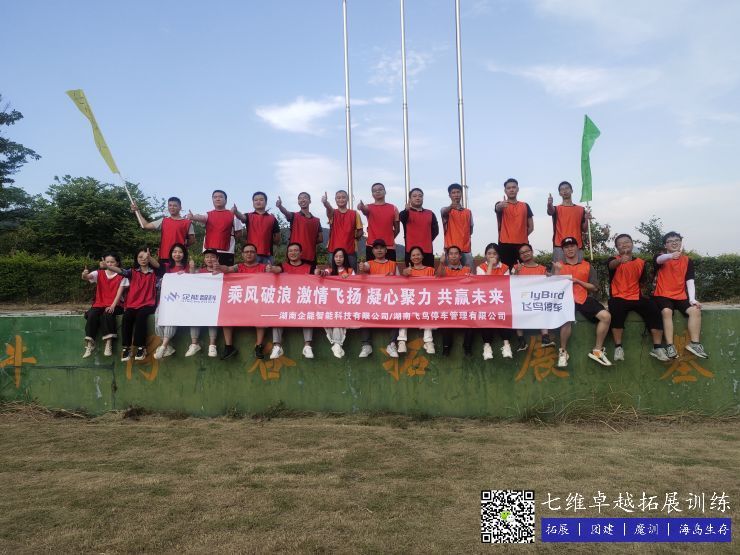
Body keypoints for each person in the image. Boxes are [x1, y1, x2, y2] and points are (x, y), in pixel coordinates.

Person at [552, 237, 612, 368]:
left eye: (572, 246)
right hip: (566, 299)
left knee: (606, 317)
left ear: (577, 248)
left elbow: (594, 287)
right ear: (563, 250)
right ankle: (563, 352)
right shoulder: (558, 265)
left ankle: (597, 350)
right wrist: (556, 271)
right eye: (566, 247)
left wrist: (578, 281)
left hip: (583, 297)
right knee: (566, 319)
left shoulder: (587, 265)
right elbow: (553, 288)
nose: (570, 249)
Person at [607, 234, 668, 362]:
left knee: (654, 310)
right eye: (620, 243)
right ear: (617, 247)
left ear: (632, 243)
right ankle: (618, 347)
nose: (624, 245)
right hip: (618, 296)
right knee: (616, 310)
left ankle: (657, 347)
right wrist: (620, 261)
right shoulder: (613, 260)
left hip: (636, 295)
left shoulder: (641, 262)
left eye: (627, 242)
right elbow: (611, 265)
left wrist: (644, 293)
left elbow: (642, 282)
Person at [653, 232, 708, 359]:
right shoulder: (660, 257)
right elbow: (659, 260)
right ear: (665, 245)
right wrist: (671, 256)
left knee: (695, 310)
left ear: (680, 242)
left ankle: (695, 344)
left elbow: (690, 281)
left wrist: (692, 299)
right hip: (662, 294)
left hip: (680, 296)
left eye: (677, 240)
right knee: (666, 311)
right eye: (670, 241)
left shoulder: (687, 260)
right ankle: (670, 346)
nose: (674, 243)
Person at [219, 243, 270, 359]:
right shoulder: (238, 267)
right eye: (246, 252)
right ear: (242, 254)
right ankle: (229, 347)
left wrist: (273, 269)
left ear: (256, 254)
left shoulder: (264, 268)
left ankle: (259, 346)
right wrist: (218, 266)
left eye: (252, 252)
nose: (249, 254)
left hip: (257, 302)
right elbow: (227, 269)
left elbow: (277, 272)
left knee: (262, 316)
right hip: (240, 302)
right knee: (225, 315)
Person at [268, 242, 317, 359]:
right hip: (286, 301)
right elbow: (277, 269)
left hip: (303, 301)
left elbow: (317, 275)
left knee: (308, 313)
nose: (293, 253)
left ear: (301, 253)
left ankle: (307, 346)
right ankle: (277, 346)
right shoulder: (283, 266)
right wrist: (271, 269)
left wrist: (318, 272)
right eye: (290, 251)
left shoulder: (310, 267)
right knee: (277, 313)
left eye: (295, 250)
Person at [111, 248, 160, 362]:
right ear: (136, 259)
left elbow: (158, 266)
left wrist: (150, 257)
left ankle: (141, 347)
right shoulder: (131, 272)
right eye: (140, 257)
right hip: (133, 304)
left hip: (149, 303)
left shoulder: (155, 273)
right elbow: (121, 271)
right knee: (127, 317)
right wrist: (108, 267)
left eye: (145, 257)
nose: (143, 259)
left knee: (141, 316)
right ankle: (126, 347)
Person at [358, 239, 400, 357]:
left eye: (382, 248)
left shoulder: (393, 264)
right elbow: (365, 268)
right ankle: (366, 345)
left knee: (397, 314)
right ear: (372, 251)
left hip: (389, 299)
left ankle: (392, 344)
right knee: (364, 314)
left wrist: (393, 278)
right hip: (373, 299)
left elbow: (400, 282)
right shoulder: (369, 263)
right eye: (376, 248)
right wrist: (362, 267)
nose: (379, 250)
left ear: (386, 250)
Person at [81, 253, 128, 358]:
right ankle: (90, 344)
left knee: (107, 314)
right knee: (91, 314)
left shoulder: (122, 275)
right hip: (99, 303)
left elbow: (119, 293)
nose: (109, 264)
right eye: (107, 262)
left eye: (112, 262)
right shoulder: (98, 273)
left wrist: (112, 306)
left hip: (116, 304)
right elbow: (87, 277)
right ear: (104, 262)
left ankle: (108, 343)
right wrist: (84, 274)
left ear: (117, 263)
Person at [510, 244, 555, 351]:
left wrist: (550, 277)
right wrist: (517, 271)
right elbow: (510, 283)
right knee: (516, 310)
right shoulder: (516, 267)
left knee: (543, 307)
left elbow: (549, 285)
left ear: (532, 251)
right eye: (522, 253)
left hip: (536, 299)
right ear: (520, 256)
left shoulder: (542, 269)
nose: (525, 254)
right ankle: (521, 341)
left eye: (527, 251)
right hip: (521, 299)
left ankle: (545, 338)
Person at [186, 249, 227, 358]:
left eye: (212, 257)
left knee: (212, 317)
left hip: (216, 303)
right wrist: (191, 269)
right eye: (207, 257)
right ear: (204, 259)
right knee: (194, 315)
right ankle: (194, 344)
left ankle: (212, 345)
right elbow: (191, 283)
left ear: (217, 259)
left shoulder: (222, 272)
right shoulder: (199, 272)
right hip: (201, 303)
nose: (209, 259)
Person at [475, 243, 513, 360]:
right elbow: (485, 283)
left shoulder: (505, 267)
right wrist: (490, 265)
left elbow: (505, 285)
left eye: (494, 253)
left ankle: (506, 345)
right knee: (485, 317)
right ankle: (487, 346)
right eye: (489, 253)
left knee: (504, 315)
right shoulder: (480, 267)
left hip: (500, 299)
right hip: (485, 300)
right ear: (485, 255)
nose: (492, 256)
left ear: (498, 255)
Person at [187, 189, 245, 266]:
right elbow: (201, 217)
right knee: (209, 272)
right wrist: (193, 217)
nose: (217, 199)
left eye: (220, 197)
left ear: (226, 200)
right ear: (212, 200)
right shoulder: (208, 214)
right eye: (215, 197)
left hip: (227, 251)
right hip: (209, 251)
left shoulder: (233, 215)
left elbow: (239, 233)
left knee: (225, 273)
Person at [131, 197, 195, 265]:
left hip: (179, 257)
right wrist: (137, 211)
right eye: (170, 205)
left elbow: (192, 240)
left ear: (180, 208)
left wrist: (182, 246)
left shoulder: (187, 223)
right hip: (164, 256)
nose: (172, 207)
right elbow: (145, 225)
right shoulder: (163, 220)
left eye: (175, 206)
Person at [315, 248, 355, 358]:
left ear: (345, 258)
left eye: (341, 256)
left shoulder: (350, 271)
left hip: (345, 305)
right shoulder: (329, 270)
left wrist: (349, 278)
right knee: (328, 317)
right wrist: (318, 272)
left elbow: (355, 286)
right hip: (330, 304)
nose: (338, 259)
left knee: (338, 317)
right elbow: (322, 274)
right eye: (336, 256)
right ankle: (337, 344)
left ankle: (336, 343)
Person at [153, 243, 189, 359]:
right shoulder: (167, 266)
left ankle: (163, 346)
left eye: (180, 252)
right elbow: (156, 265)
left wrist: (189, 273)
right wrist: (149, 258)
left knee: (171, 318)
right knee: (158, 317)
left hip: (181, 302)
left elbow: (193, 281)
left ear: (184, 254)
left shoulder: (188, 267)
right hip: (166, 300)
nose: (177, 254)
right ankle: (167, 346)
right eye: (174, 252)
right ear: (171, 254)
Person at [436, 246, 473, 356]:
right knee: (445, 317)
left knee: (472, 319)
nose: (453, 256)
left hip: (463, 304)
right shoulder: (444, 269)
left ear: (460, 256)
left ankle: (467, 347)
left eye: (456, 253)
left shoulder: (467, 270)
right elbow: (438, 277)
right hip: (448, 304)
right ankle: (446, 347)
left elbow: (474, 285)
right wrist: (441, 263)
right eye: (451, 254)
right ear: (447, 256)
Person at [399, 246, 436, 354]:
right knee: (403, 311)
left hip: (425, 301)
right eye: (413, 255)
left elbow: (438, 283)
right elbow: (401, 284)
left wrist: (442, 263)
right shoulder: (407, 271)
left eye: (418, 254)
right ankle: (401, 341)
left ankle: (428, 342)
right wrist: (405, 274)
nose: (416, 257)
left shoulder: (430, 270)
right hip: (411, 301)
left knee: (429, 311)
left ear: (422, 256)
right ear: (410, 258)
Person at [494, 178, 534, 268]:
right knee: (506, 271)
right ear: (505, 191)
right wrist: (500, 205)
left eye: (513, 187)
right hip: (505, 244)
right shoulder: (501, 204)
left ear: (518, 189)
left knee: (523, 270)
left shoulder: (525, 205)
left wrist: (521, 235)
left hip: (522, 245)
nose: (511, 190)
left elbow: (531, 227)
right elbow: (497, 208)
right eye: (508, 188)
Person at [233, 191, 281, 264]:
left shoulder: (272, 218)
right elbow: (242, 217)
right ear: (253, 203)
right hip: (251, 254)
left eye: (261, 200)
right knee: (251, 272)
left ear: (266, 202)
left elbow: (277, 238)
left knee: (268, 272)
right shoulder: (249, 216)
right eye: (255, 200)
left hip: (268, 254)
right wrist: (236, 212)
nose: (258, 202)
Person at [276, 192, 323, 265]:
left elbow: (320, 238)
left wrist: (308, 240)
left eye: (305, 197)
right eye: (300, 198)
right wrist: (280, 207)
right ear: (298, 202)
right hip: (295, 256)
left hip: (310, 256)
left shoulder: (316, 220)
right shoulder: (294, 216)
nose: (302, 200)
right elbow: (286, 213)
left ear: (310, 201)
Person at [321, 190, 363, 271]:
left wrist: (354, 238)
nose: (341, 199)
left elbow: (360, 231)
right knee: (333, 274)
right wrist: (325, 203)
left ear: (347, 199)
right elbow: (329, 208)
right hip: (333, 251)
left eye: (343, 197)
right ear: (335, 199)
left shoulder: (355, 213)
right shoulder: (333, 212)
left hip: (350, 251)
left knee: (351, 274)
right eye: (338, 198)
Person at [547, 181, 588, 262]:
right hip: (560, 246)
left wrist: (587, 219)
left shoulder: (581, 209)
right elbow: (550, 211)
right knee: (559, 269)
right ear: (560, 193)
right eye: (562, 189)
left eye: (567, 188)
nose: (565, 191)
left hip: (577, 246)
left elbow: (585, 229)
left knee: (578, 269)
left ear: (571, 190)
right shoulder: (556, 209)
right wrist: (549, 204)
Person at [358, 182, 400, 261]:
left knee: (390, 268)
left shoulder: (393, 208)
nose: (377, 191)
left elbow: (397, 229)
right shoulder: (368, 207)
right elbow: (364, 210)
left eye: (380, 189)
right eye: (374, 190)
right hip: (372, 246)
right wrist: (361, 207)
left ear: (385, 192)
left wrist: (389, 238)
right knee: (371, 269)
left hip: (389, 247)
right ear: (372, 194)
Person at [399, 188, 439, 268]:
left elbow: (435, 231)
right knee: (412, 274)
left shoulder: (430, 213)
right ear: (410, 199)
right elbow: (402, 218)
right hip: (411, 252)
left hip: (427, 251)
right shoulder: (406, 213)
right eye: (414, 196)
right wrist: (406, 210)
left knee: (429, 274)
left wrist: (426, 239)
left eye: (420, 196)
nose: (417, 198)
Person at [441, 183, 474, 271]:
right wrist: (451, 207)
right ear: (449, 195)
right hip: (451, 251)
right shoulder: (446, 211)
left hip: (466, 249)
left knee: (470, 274)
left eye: (458, 192)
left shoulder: (468, 212)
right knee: (450, 275)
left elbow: (470, 230)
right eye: (453, 193)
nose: (456, 195)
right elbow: (444, 212)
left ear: (461, 194)